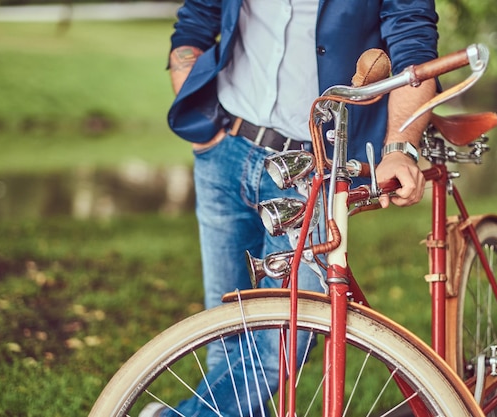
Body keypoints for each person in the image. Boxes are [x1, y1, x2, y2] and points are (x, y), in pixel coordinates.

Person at [141, 1, 438, 416]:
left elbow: (413, 45)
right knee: (225, 334)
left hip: (315, 168)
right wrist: (202, 127)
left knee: (276, 349)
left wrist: (398, 149)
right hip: (225, 147)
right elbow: (196, 20)